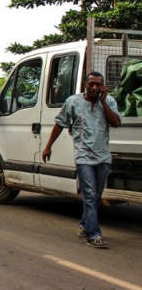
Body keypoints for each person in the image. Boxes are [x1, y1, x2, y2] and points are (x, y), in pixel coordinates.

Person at [42, 72, 121, 249]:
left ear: (103, 86)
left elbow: (116, 122)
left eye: (98, 85)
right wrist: (48, 146)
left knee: (97, 195)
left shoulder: (109, 101)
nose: (94, 88)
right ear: (85, 84)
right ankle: (94, 235)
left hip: (103, 156)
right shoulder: (73, 101)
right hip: (83, 156)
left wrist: (102, 102)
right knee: (90, 195)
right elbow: (60, 124)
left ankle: (84, 224)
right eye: (91, 84)